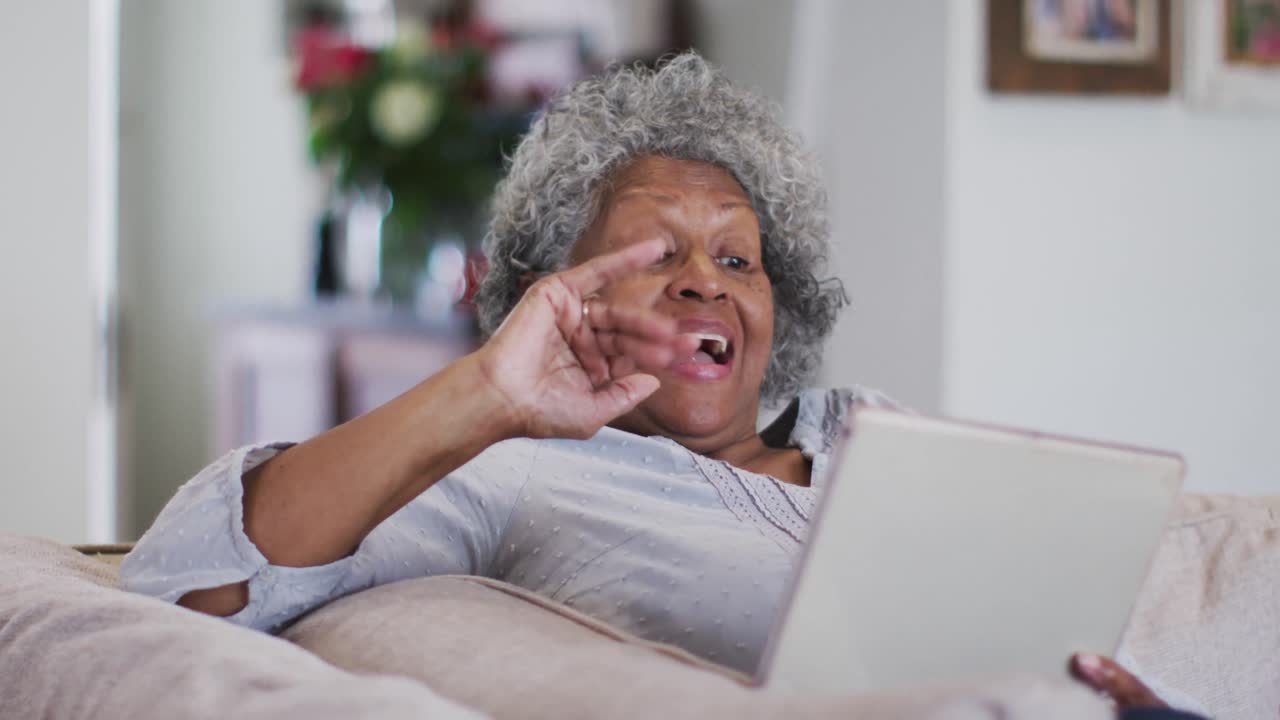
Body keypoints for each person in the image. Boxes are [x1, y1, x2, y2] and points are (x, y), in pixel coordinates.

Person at [121, 53, 1197, 717]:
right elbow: (188, 584)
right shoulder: (520, 474)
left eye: (737, 259)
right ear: (560, 294)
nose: (704, 286)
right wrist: (484, 392)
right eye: (653, 257)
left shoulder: (874, 433)